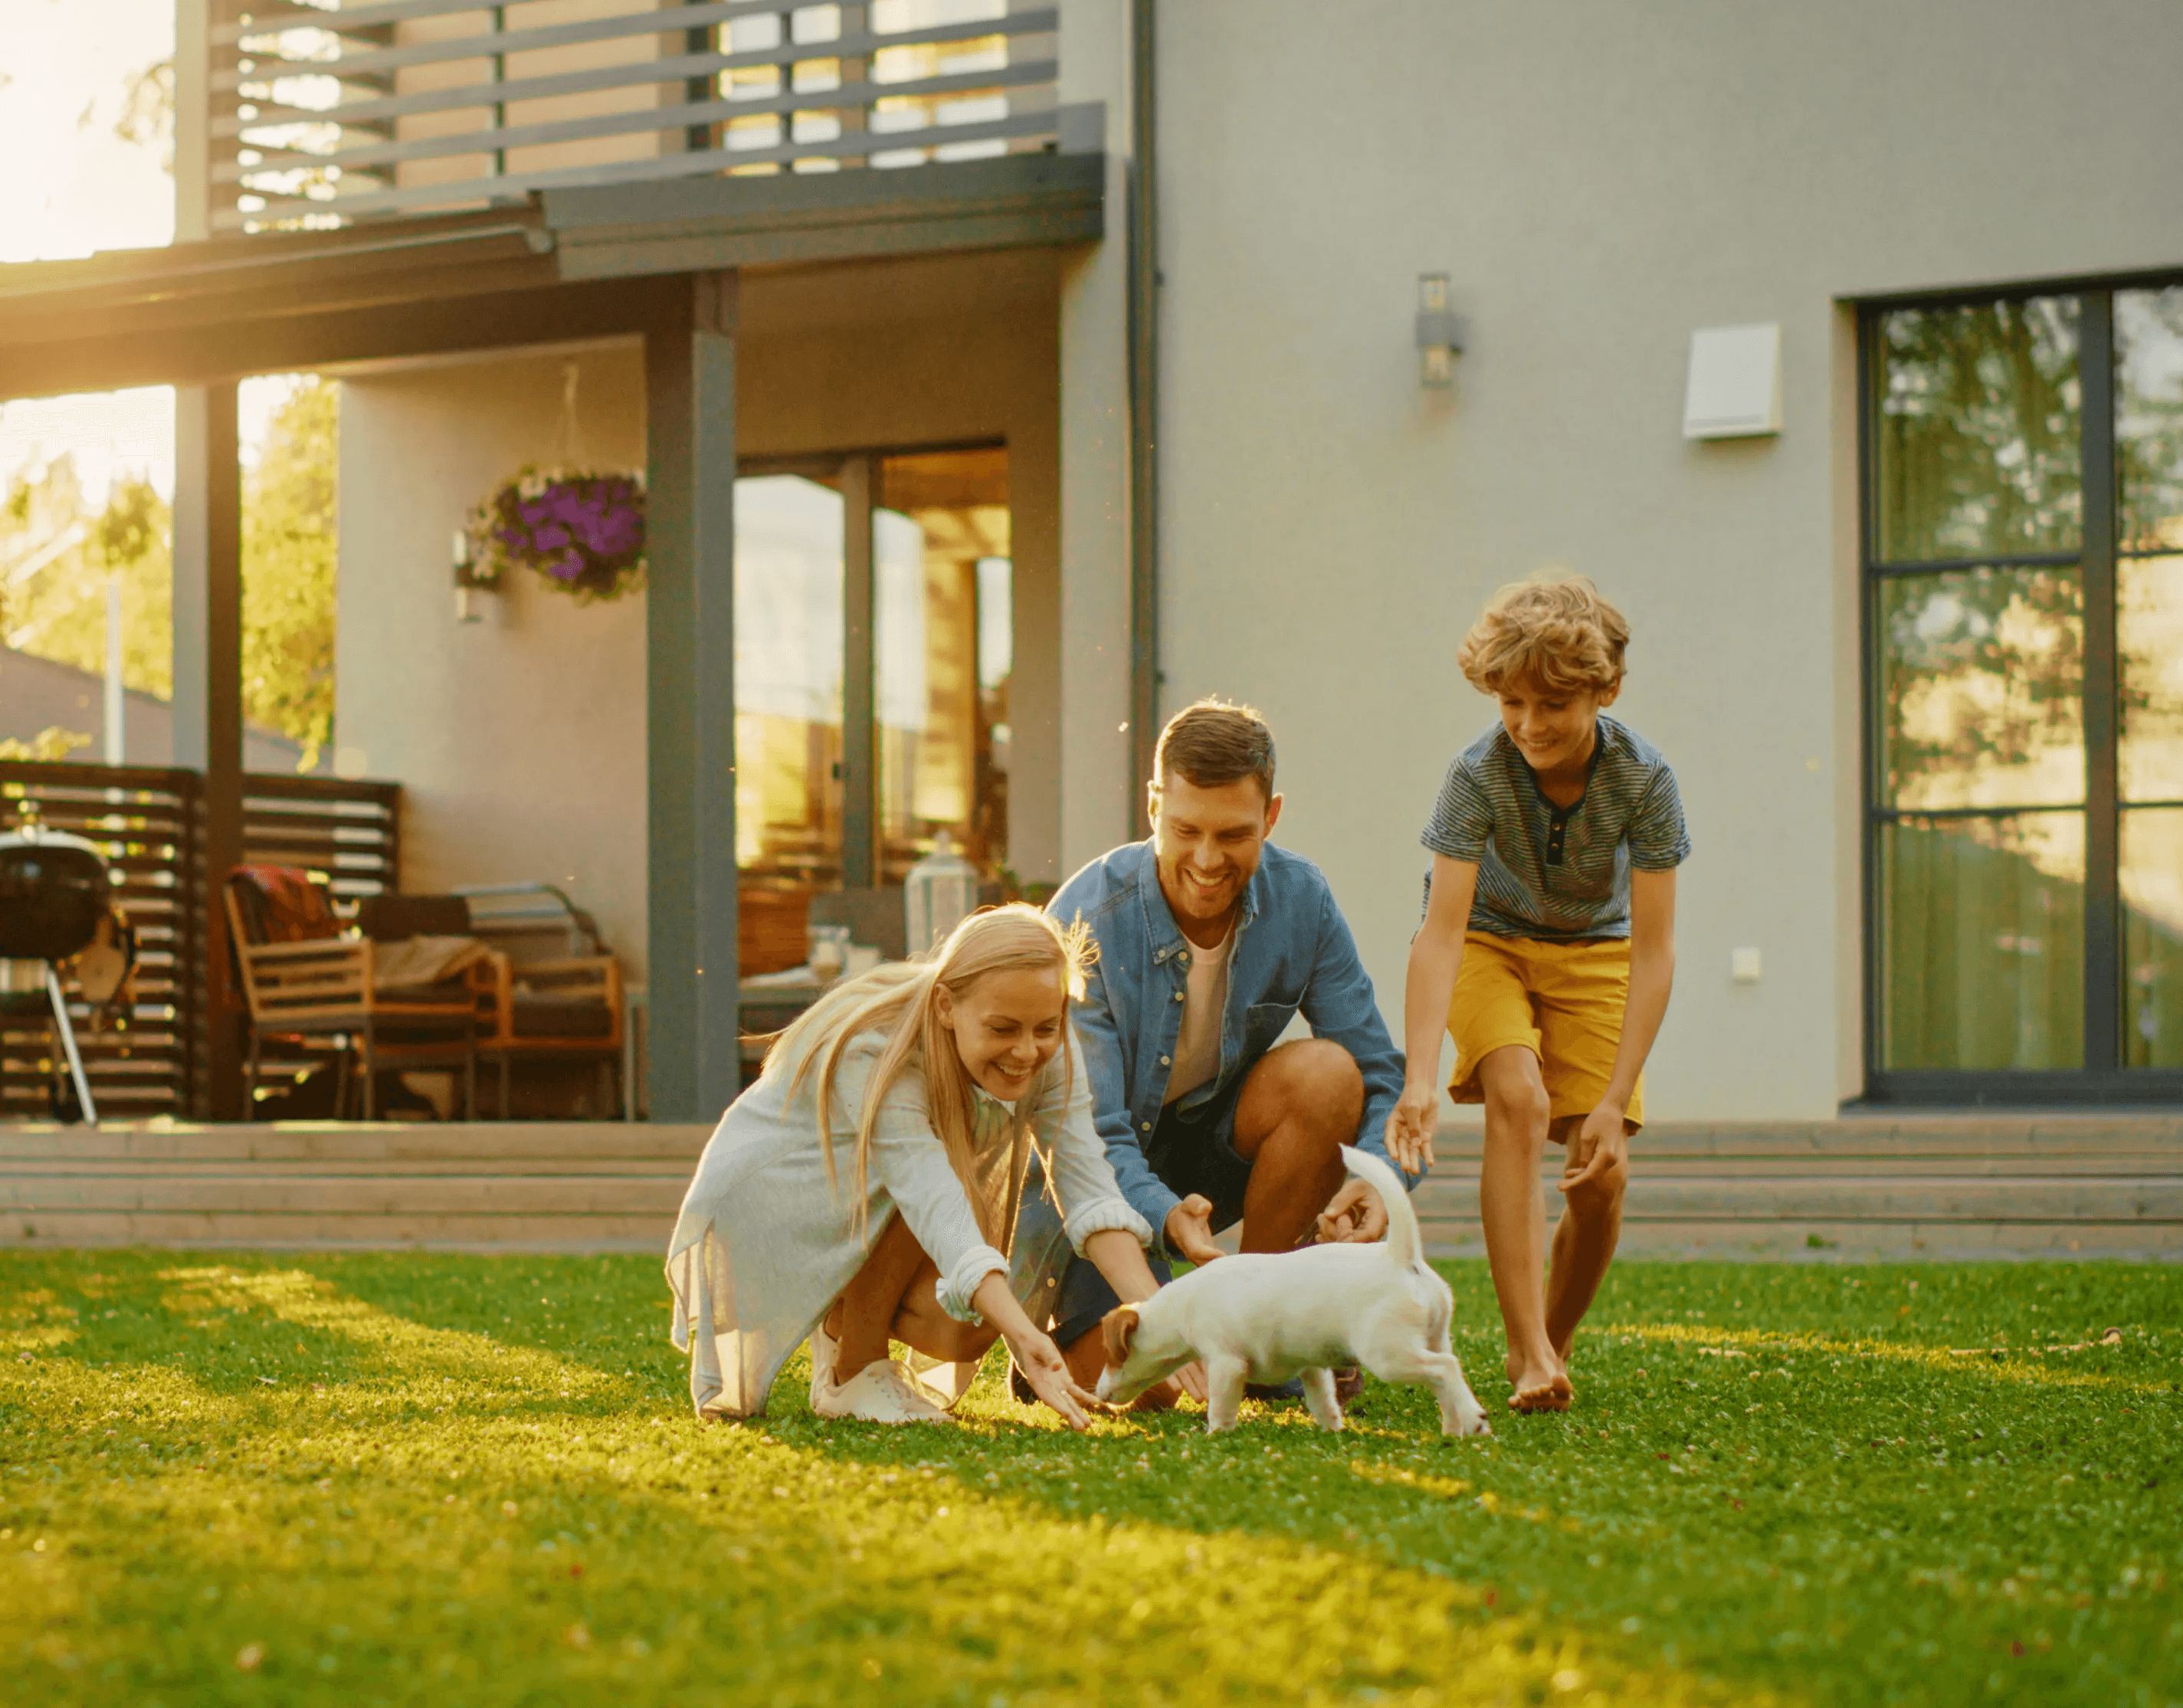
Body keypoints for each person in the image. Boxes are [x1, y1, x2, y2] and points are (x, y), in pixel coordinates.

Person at [1018, 699, 1411, 1402]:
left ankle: (1262, 1325)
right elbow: (1091, 1137)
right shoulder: (1085, 918)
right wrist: (1164, 1214)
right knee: (1153, 1390)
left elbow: (1380, 1072)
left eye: (1233, 834)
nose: (1206, 859)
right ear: (1152, 807)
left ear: (1271, 816)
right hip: (1089, 1183)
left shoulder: (1302, 900)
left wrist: (1380, 1180)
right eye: (1185, 830)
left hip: (1206, 1155)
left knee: (1326, 1074)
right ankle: (1069, 1331)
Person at [665, 905, 1161, 1426]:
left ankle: (841, 1323)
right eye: (1002, 1028)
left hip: (869, 1199)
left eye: (1046, 1027)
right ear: (946, 1005)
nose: (1026, 1050)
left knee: (965, 1326)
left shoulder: (1042, 1040)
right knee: (944, 1220)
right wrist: (1024, 1335)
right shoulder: (878, 1050)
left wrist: (1164, 1322)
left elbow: (1088, 1189)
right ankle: (852, 1371)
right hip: (775, 1203)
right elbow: (930, 1199)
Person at [1386, 575, 1687, 1413]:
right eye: (1510, 703)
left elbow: (1654, 950)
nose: (1527, 725)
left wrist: (1615, 1098)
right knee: (1516, 1098)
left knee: (1599, 1176)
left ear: (1604, 690)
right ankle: (1525, 1351)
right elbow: (1439, 933)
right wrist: (1419, 1079)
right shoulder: (1477, 774)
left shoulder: (1644, 780)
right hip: (1487, 941)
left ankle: (1551, 1344)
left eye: (1552, 704)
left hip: (1597, 950)